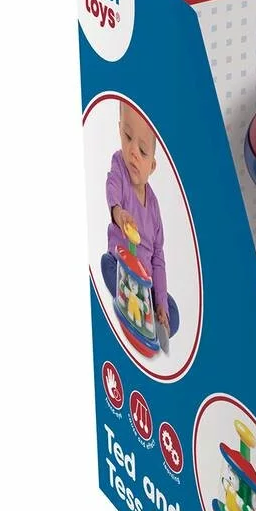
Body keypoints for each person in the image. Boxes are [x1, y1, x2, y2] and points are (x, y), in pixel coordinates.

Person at [99, 101, 179, 336]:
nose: (133, 151)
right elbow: (112, 185)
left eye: (143, 151)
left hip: (145, 282)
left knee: (173, 312)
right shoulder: (119, 165)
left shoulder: (154, 207)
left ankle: (151, 314)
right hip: (122, 267)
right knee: (106, 264)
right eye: (127, 137)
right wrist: (118, 212)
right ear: (119, 130)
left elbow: (158, 257)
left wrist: (160, 302)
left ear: (152, 166)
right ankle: (132, 308)